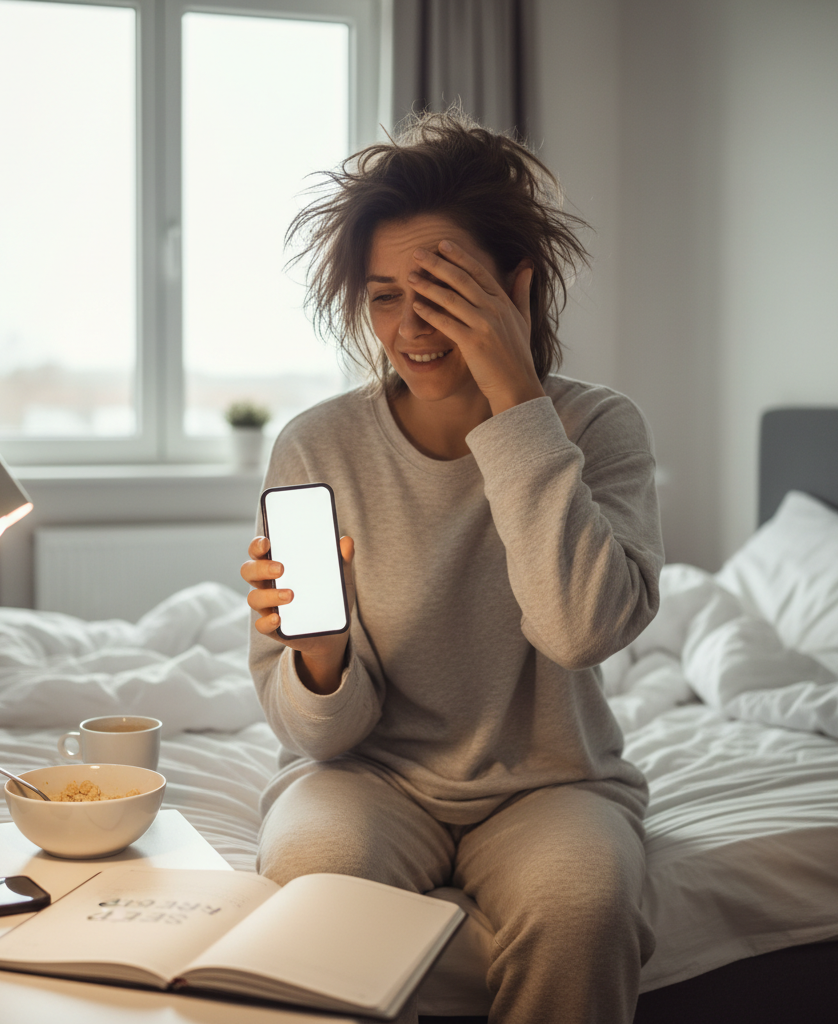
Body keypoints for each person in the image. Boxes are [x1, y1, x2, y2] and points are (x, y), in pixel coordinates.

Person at [240, 109, 662, 1024]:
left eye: (441, 289)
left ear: (517, 285)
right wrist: (320, 659)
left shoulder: (599, 428)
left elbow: (580, 630)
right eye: (384, 295)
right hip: (367, 779)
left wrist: (515, 399)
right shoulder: (318, 444)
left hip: (553, 785)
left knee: (582, 910)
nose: (410, 327)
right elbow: (317, 738)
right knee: (312, 884)